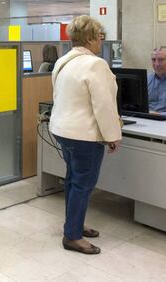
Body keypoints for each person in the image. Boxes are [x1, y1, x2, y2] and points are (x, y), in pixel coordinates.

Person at [49, 15, 122, 255]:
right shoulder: (95, 64)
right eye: (100, 36)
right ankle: (72, 236)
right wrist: (113, 134)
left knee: (73, 180)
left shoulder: (63, 61)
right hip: (84, 135)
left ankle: (74, 225)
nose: (101, 41)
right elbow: (104, 105)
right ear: (90, 38)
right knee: (83, 184)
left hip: (62, 130)